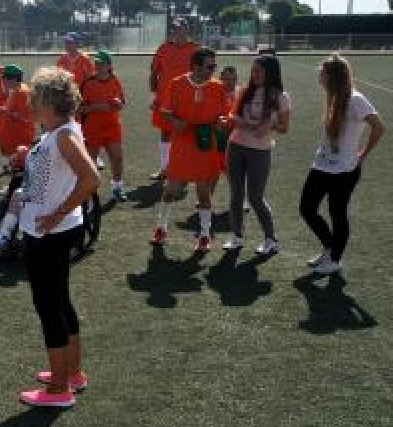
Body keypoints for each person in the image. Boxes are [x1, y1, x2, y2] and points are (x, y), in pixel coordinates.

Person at [15, 68, 99, 409]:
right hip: (51, 229)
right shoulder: (60, 131)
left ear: (49, 103)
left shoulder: (63, 136)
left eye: (35, 99)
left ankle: (59, 389)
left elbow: (91, 178)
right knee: (60, 300)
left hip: (50, 233)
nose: (30, 105)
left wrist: (58, 213)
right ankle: (72, 373)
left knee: (48, 305)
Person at [300, 53, 384, 275]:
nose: (320, 76)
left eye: (323, 73)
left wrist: (363, 154)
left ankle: (335, 259)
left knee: (337, 213)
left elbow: (379, 127)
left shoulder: (356, 99)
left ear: (333, 76)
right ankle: (330, 248)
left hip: (344, 170)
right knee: (307, 209)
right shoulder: (333, 97)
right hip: (321, 165)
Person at [152, 47, 230, 251]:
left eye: (214, 66)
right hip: (182, 145)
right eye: (210, 66)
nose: (214, 70)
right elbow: (165, 111)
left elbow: (224, 114)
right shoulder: (177, 84)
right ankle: (161, 228)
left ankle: (204, 235)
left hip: (206, 145)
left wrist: (222, 121)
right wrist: (175, 121)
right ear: (196, 66)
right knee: (171, 191)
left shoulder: (218, 87)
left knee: (204, 194)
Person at [223, 55, 290, 255]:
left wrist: (270, 124)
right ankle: (237, 237)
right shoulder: (244, 91)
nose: (255, 74)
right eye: (253, 70)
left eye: (259, 71)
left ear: (271, 72)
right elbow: (232, 114)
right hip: (236, 146)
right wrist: (237, 121)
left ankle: (271, 239)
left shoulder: (280, 97)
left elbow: (284, 127)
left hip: (260, 151)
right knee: (236, 195)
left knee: (255, 197)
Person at [148, 18, 199, 180]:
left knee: (189, 132)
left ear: (187, 29)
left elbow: (203, 73)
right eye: (176, 28)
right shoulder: (163, 48)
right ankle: (164, 169)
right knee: (165, 132)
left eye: (181, 27)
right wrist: (153, 96)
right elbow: (154, 73)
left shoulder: (196, 49)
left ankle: (186, 168)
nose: (178, 31)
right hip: (165, 97)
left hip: (188, 98)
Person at [79, 51, 127, 201]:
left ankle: (117, 187)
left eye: (102, 63)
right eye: (97, 63)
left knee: (117, 158)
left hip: (112, 126)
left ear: (109, 66)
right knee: (90, 161)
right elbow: (80, 108)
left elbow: (122, 102)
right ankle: (90, 191)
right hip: (92, 128)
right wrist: (97, 107)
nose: (98, 66)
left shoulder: (115, 80)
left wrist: (118, 104)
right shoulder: (87, 83)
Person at [0, 65, 37, 193]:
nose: (3, 81)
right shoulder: (16, 90)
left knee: (21, 165)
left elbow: (27, 116)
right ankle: (14, 187)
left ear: (13, 79)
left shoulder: (21, 93)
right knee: (16, 165)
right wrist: (5, 110)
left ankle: (19, 189)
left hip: (20, 137)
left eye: (5, 79)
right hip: (13, 135)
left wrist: (6, 112)